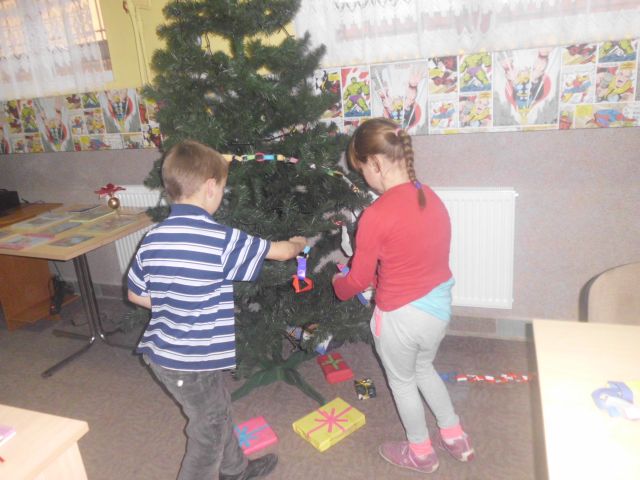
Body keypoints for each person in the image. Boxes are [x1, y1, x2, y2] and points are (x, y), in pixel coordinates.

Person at [127, 140, 307, 480]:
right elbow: (282, 253)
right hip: (190, 361)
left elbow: (136, 294)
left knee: (217, 411)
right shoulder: (217, 239)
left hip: (167, 353)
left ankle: (235, 470)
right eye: (222, 188)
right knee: (207, 432)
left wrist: (172, 301)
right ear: (211, 187)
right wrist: (299, 242)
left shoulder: (153, 239)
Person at [332, 118, 474, 474]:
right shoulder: (430, 196)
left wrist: (339, 283)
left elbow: (358, 278)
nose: (363, 175)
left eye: (362, 168)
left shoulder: (376, 214)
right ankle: (454, 434)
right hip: (437, 309)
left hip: (399, 316)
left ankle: (421, 451)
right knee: (424, 368)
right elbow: (416, 256)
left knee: (402, 381)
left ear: (376, 164)